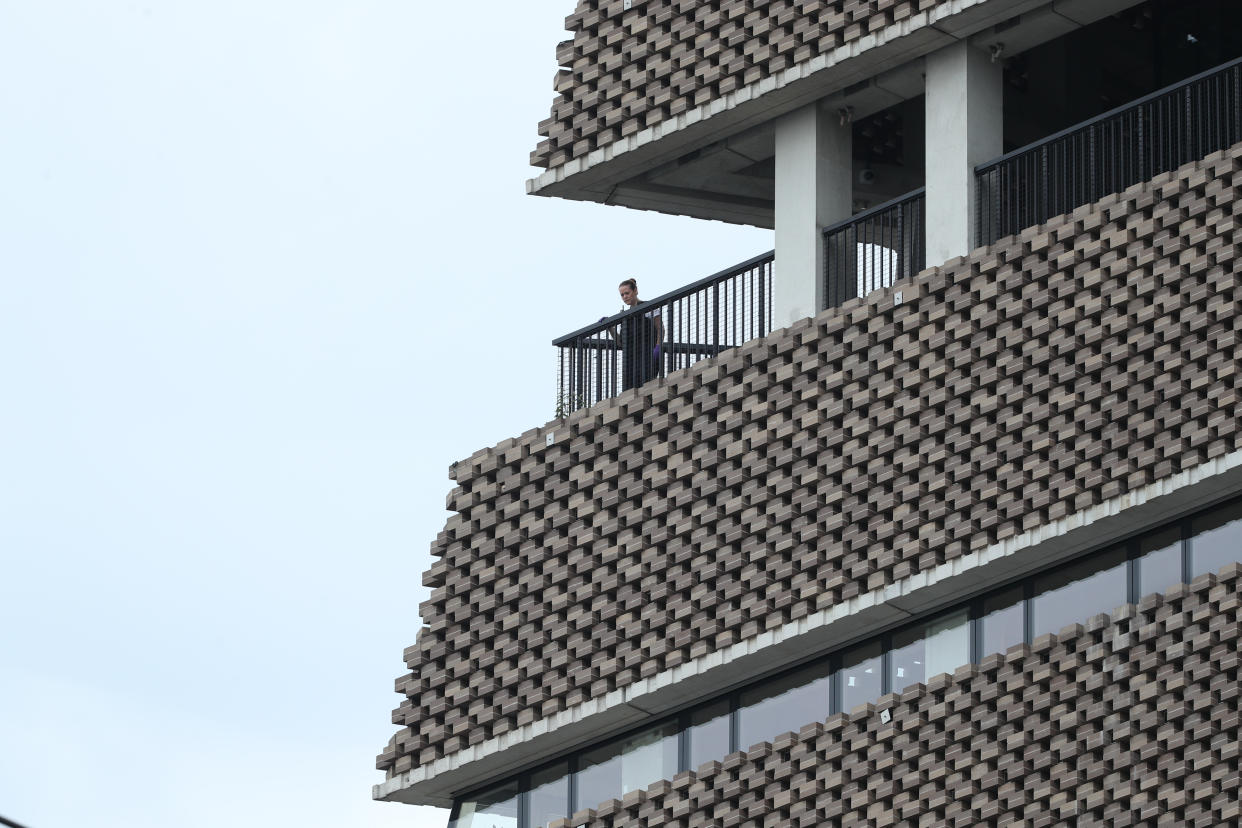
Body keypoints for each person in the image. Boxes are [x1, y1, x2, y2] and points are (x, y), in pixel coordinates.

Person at [611, 278, 663, 391]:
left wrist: (658, 347)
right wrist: (610, 327)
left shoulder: (648, 306)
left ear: (635, 291)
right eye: (622, 295)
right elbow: (620, 342)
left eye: (627, 293)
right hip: (631, 360)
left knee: (648, 386)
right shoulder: (625, 316)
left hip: (648, 354)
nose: (625, 296)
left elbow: (661, 329)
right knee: (631, 391)